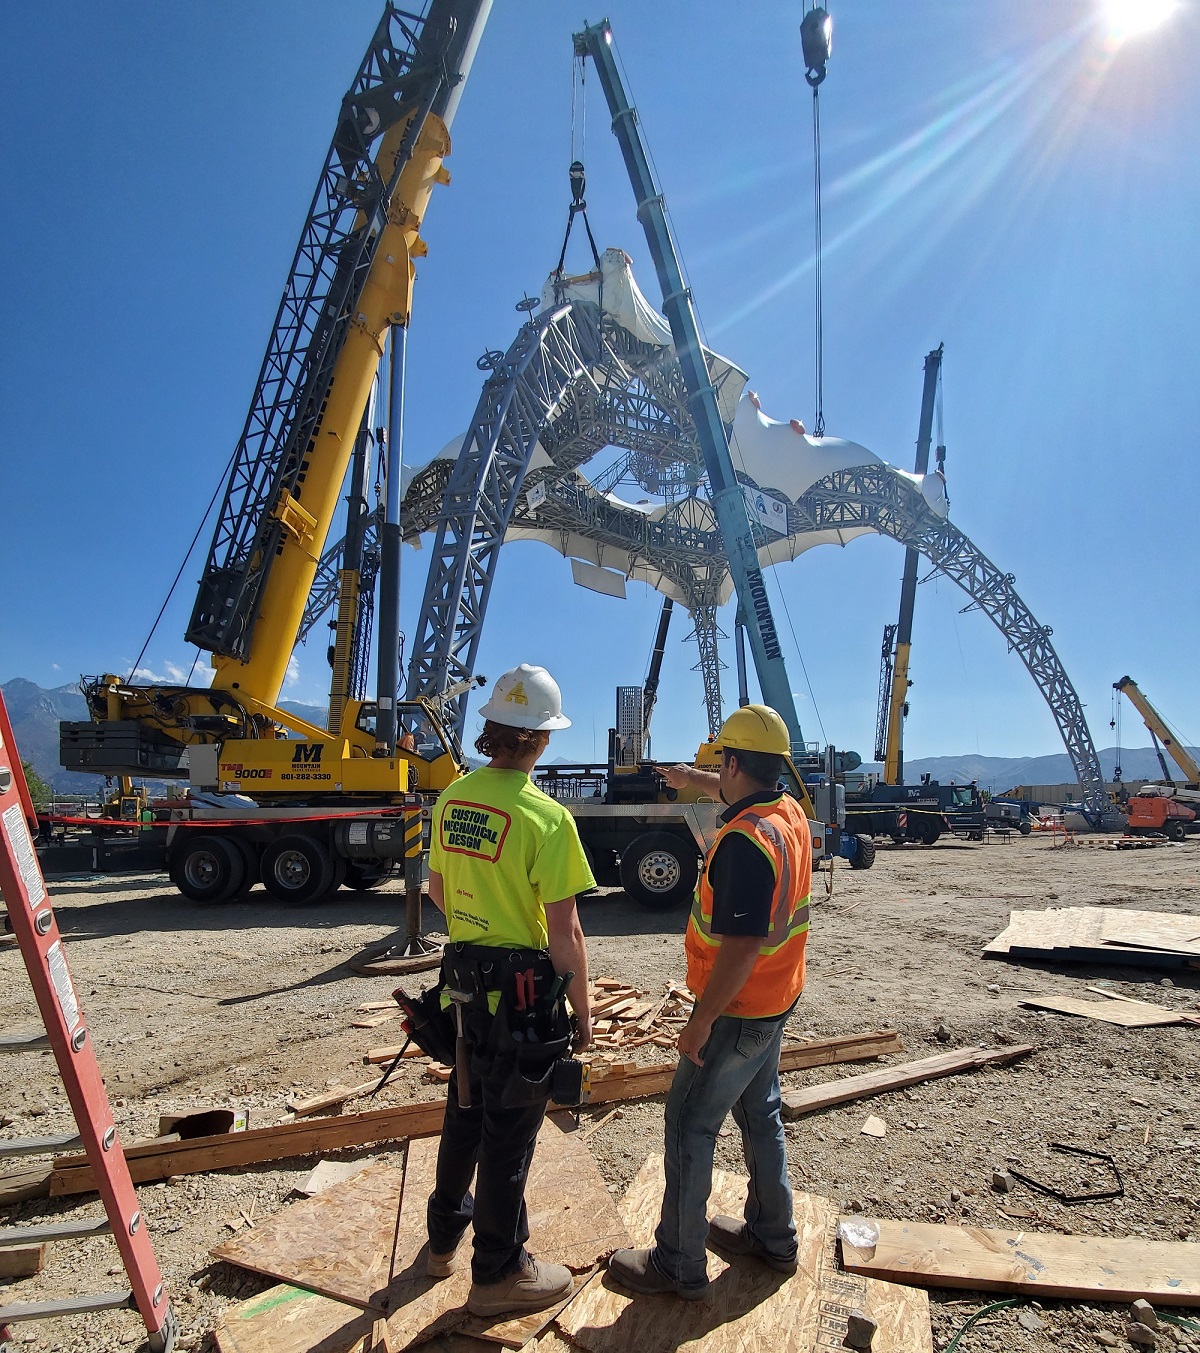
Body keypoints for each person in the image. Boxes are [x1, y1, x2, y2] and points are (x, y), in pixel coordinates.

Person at [608, 704, 811, 1299]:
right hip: (777, 998)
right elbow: (734, 786)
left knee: (690, 1125)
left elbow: (742, 946)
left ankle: (677, 1261)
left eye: (719, 762)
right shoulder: (786, 813)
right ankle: (773, 1238)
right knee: (759, 1112)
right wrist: (687, 778)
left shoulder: (743, 843)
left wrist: (698, 1024)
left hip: (736, 1008)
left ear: (733, 762)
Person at [425, 663, 595, 1318]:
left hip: (463, 985)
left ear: (494, 731)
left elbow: (437, 889)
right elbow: (566, 930)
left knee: (464, 1107)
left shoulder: (453, 799)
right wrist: (581, 1011)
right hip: (522, 998)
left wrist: (478, 924)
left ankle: (442, 1241)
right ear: (540, 741)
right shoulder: (544, 818)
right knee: (509, 1132)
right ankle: (497, 1272)